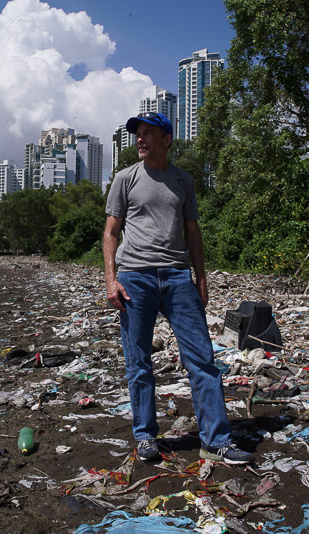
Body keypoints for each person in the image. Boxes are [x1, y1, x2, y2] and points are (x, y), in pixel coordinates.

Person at [103, 111, 253, 465]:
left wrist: (201, 279)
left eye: (148, 133)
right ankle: (145, 436)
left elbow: (193, 233)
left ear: (167, 139)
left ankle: (215, 441)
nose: (140, 139)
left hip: (176, 276)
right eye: (137, 134)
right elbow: (111, 232)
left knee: (202, 358)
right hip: (135, 277)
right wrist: (111, 279)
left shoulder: (183, 181)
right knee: (138, 361)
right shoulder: (125, 179)